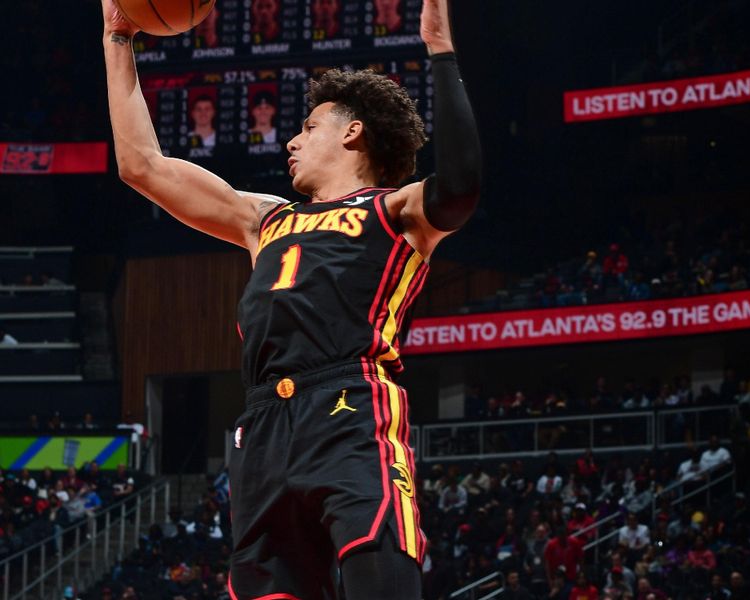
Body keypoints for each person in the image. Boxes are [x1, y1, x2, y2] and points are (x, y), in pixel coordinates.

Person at [101, 0, 480, 597]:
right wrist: (117, 39)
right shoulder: (265, 219)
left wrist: (439, 48)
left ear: (352, 132)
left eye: (307, 128)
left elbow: (460, 185)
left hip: (348, 406)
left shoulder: (395, 212)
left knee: (378, 569)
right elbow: (141, 165)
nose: (291, 142)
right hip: (261, 426)